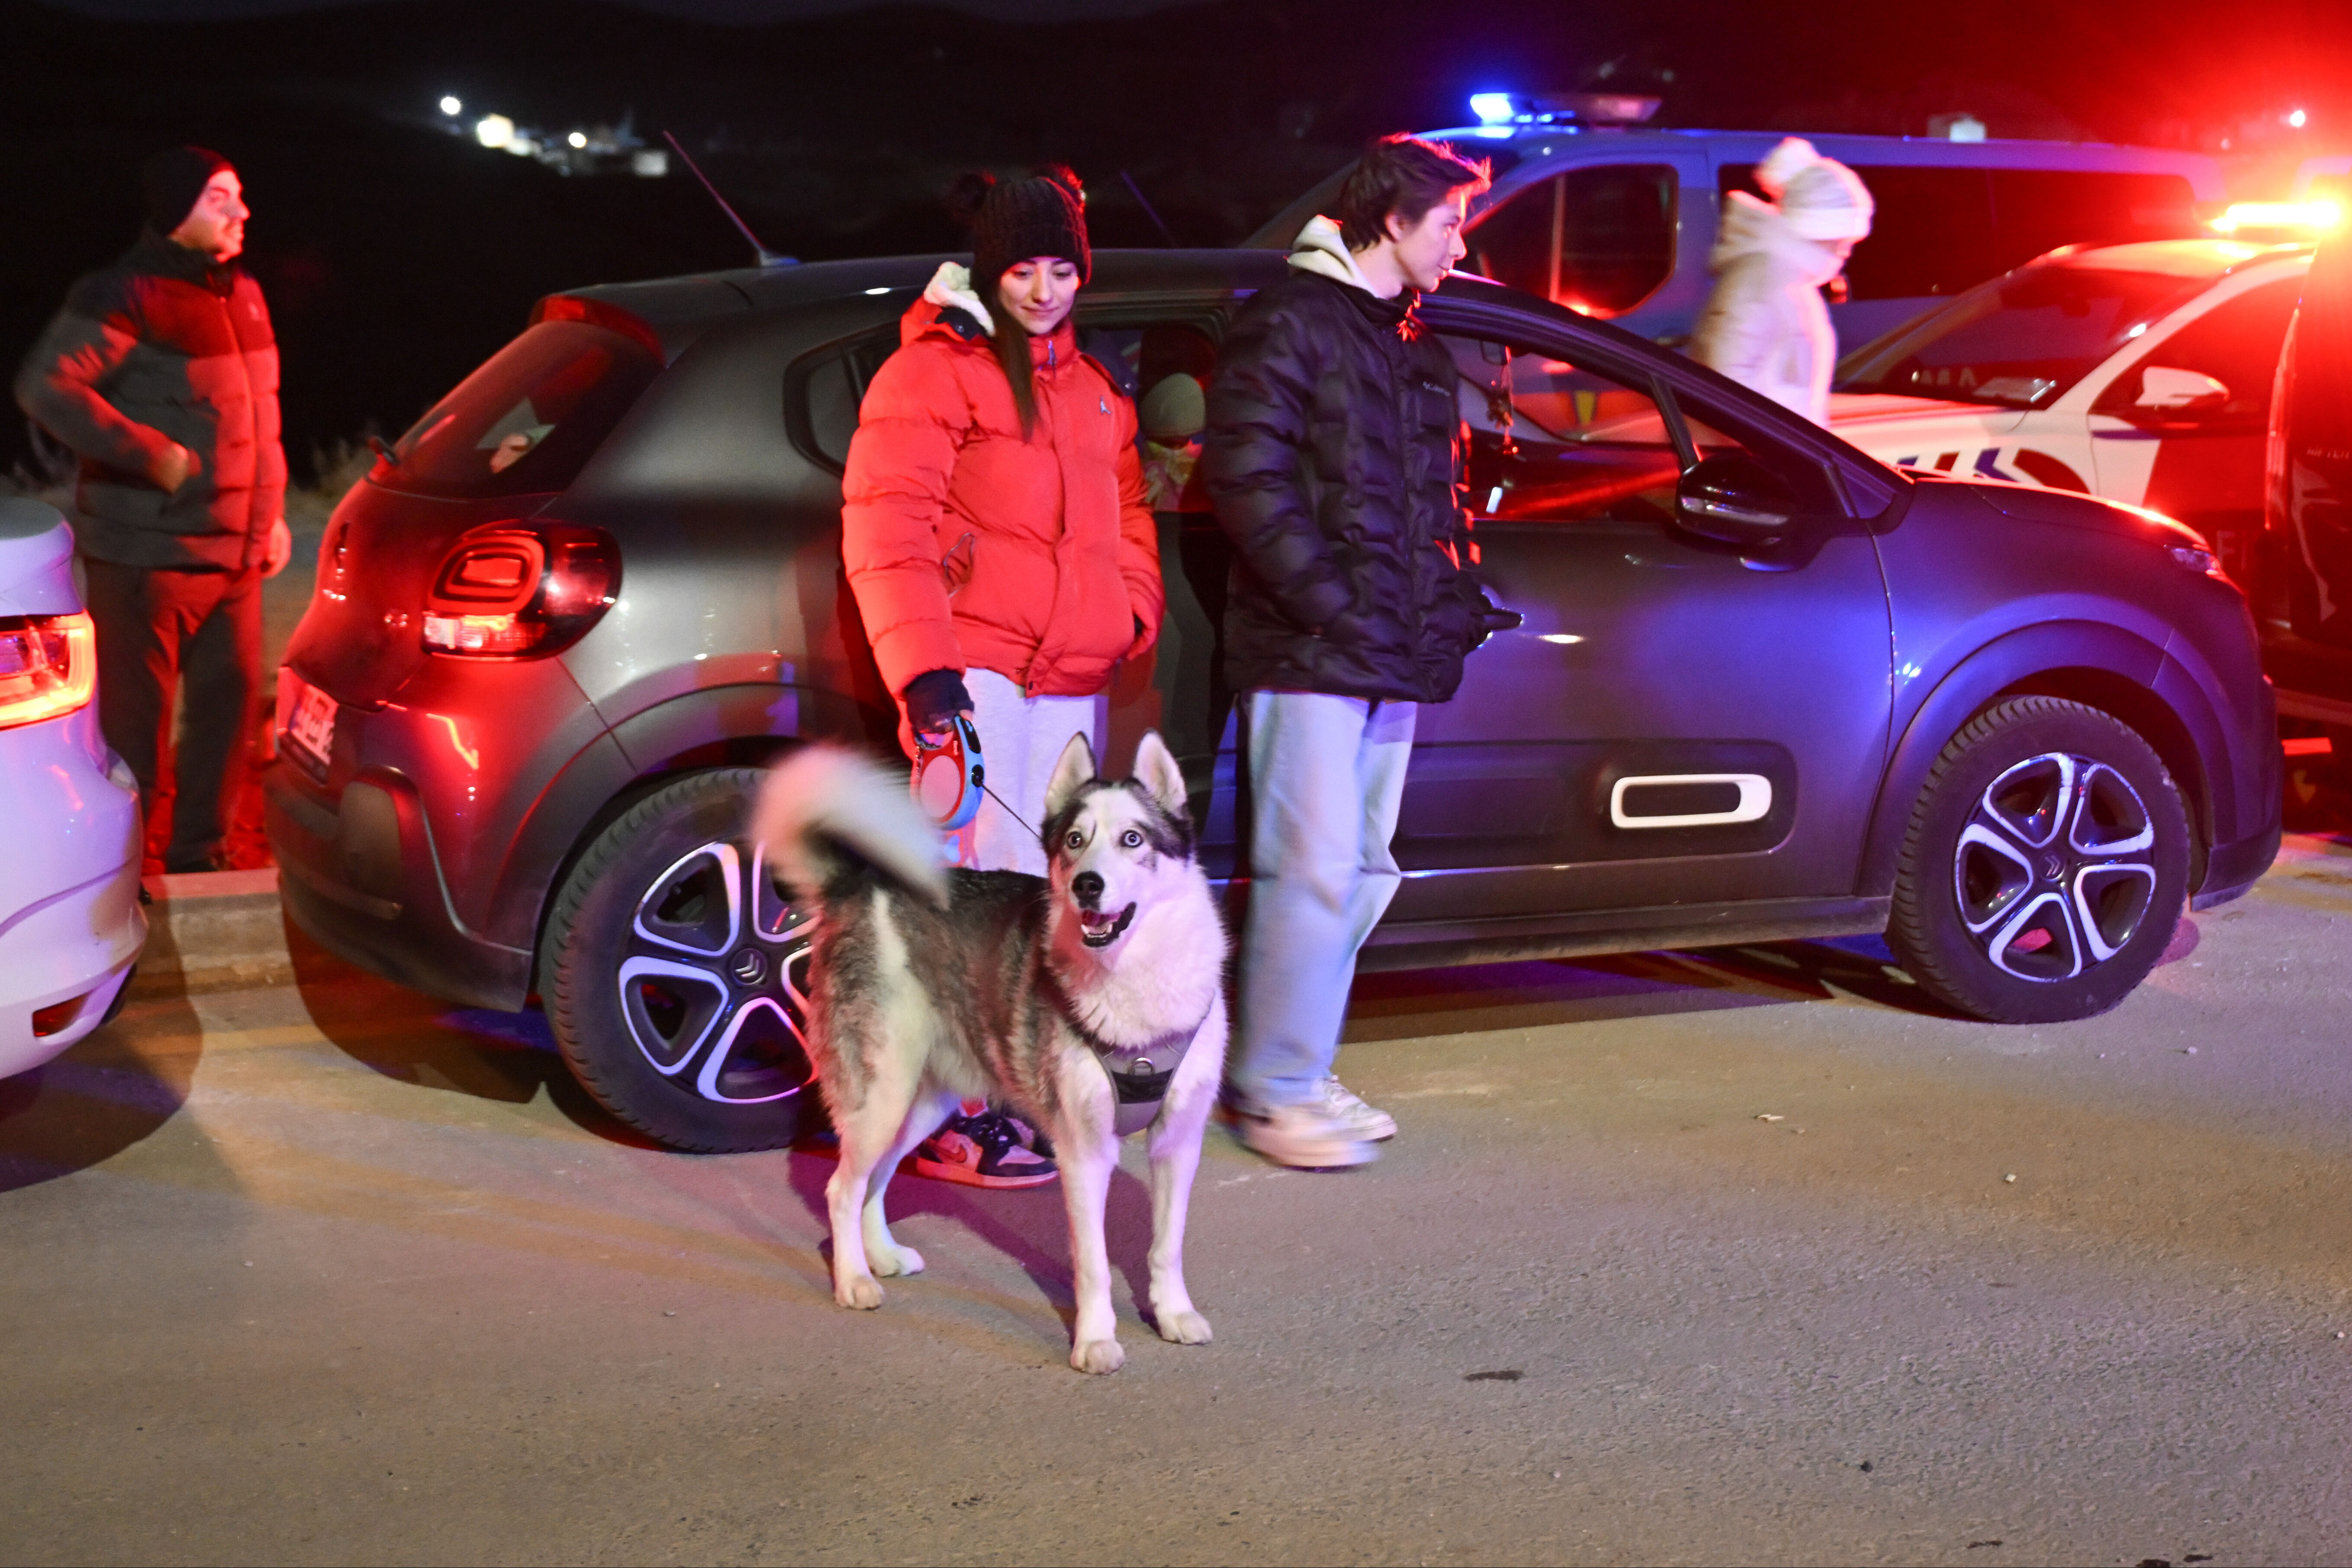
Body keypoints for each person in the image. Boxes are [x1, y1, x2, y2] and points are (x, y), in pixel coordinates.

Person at [838, 164, 1164, 1188]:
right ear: (989, 270)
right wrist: (927, 677)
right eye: (1022, 269)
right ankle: (948, 1116)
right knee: (968, 899)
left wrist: (1131, 604)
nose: (1043, 289)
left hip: (1070, 677)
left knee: (1043, 896)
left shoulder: (1095, 383)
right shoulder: (935, 371)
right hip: (975, 671)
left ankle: (1002, 1097)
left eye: (1061, 268)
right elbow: (887, 527)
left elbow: (1129, 508)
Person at [1201, 134, 1501, 1170]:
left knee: (1361, 869)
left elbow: (1434, 501)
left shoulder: (1409, 341)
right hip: (1310, 651)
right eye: (1450, 222)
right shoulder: (1292, 320)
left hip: (1387, 652)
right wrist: (1332, 605)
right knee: (1311, 869)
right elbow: (1244, 477)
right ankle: (1274, 1091)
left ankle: (1299, 1060)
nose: (1460, 244)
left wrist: (1453, 600)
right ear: (1393, 219)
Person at [15, 146, 293, 873]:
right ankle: (124, 874)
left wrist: (269, 514)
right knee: (134, 731)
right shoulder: (125, 293)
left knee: (226, 720)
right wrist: (153, 454)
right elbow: (47, 387)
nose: (241, 212)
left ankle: (202, 859)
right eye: (220, 198)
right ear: (177, 210)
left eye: (239, 195)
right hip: (146, 558)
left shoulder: (242, 291)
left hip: (235, 557)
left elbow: (257, 415)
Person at [1687, 137, 1875, 425]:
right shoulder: (1763, 278)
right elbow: (1728, 388)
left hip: (1779, 445)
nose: (1846, 250)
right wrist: (1783, 437)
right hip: (1758, 449)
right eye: (1842, 238)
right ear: (1816, 229)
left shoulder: (1789, 278)